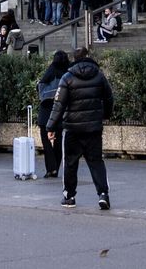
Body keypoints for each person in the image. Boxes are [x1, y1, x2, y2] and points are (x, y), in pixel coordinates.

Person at [47, 47, 114, 210]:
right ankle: (103, 194)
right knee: (96, 162)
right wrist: (104, 115)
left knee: (70, 163)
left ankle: (69, 196)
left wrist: (51, 126)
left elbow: (59, 105)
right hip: (93, 128)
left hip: (72, 128)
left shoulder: (67, 77)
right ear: (88, 57)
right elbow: (109, 98)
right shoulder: (99, 75)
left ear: (74, 59)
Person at [36, 49, 72, 179]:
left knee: (46, 141)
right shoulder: (69, 73)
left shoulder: (50, 71)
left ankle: (50, 168)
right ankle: (56, 167)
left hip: (46, 111)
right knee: (58, 142)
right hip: (61, 111)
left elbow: (40, 87)